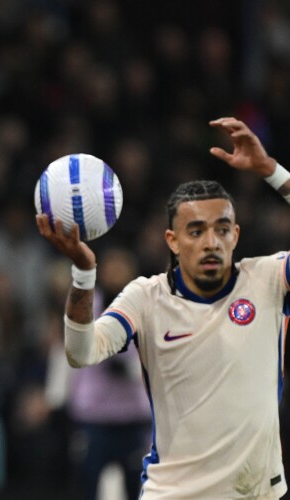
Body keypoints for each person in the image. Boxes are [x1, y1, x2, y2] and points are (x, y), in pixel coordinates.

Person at [36, 116, 290, 499]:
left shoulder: (269, 279)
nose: (211, 242)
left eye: (222, 229)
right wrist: (84, 274)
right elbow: (80, 352)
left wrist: (271, 171)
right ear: (172, 240)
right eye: (196, 231)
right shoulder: (145, 298)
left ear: (236, 235)